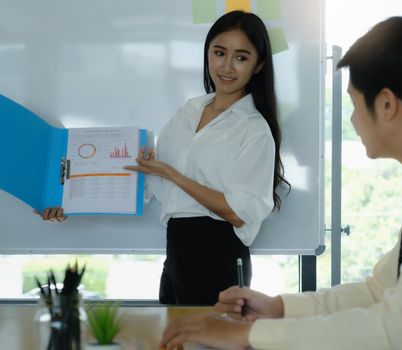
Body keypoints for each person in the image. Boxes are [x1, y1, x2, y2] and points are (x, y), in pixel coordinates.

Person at [160, 15, 402, 349]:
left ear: (387, 104)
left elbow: (396, 331)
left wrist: (250, 335)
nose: (352, 120)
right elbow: (378, 290)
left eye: (354, 103)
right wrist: (280, 308)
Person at [40, 11, 289, 305]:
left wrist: (172, 174)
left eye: (241, 57)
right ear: (207, 52)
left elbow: (238, 212)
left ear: (258, 65)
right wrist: (68, 199)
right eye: (219, 53)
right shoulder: (188, 112)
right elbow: (147, 185)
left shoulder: (254, 129)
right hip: (176, 256)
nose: (226, 66)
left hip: (218, 257)